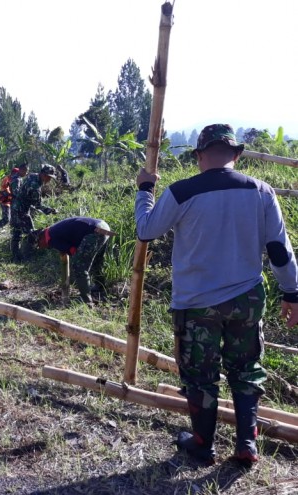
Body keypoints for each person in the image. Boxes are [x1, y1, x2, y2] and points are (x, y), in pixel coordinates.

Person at [135, 123, 298, 466]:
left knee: (199, 374)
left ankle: (202, 442)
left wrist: (145, 190)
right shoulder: (261, 191)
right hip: (246, 299)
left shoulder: (181, 192)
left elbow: (146, 230)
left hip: (197, 304)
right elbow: (279, 251)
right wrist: (292, 292)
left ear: (199, 156)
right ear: (236, 155)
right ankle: (246, 444)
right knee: (246, 369)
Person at [29, 217, 114, 303]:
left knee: (79, 266)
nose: (41, 248)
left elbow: (72, 251)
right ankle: (100, 287)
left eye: (39, 245)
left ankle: (86, 299)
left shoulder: (51, 238)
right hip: (103, 227)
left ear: (40, 239)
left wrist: (74, 257)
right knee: (97, 260)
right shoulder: (53, 230)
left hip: (94, 233)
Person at [10, 164, 57, 261]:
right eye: (49, 177)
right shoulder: (35, 186)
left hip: (16, 206)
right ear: (44, 175)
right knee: (31, 233)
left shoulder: (33, 176)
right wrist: (50, 210)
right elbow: (37, 205)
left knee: (17, 232)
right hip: (21, 210)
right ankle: (27, 257)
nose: (49, 180)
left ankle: (16, 257)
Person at [0, 163, 28, 239]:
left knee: (11, 219)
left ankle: (11, 235)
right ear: (13, 173)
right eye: (15, 173)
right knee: (6, 219)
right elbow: (6, 191)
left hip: (10, 201)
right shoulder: (8, 179)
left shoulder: (11, 179)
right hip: (5, 201)